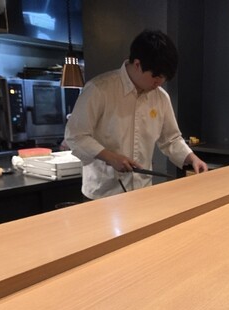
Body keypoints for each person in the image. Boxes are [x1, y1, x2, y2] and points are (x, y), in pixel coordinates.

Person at [65, 29, 208, 199]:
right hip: (102, 194)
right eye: (156, 76)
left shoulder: (161, 97)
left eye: (163, 78)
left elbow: (171, 139)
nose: (159, 83)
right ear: (138, 64)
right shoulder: (99, 89)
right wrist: (110, 157)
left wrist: (192, 158)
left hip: (142, 192)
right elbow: (75, 135)